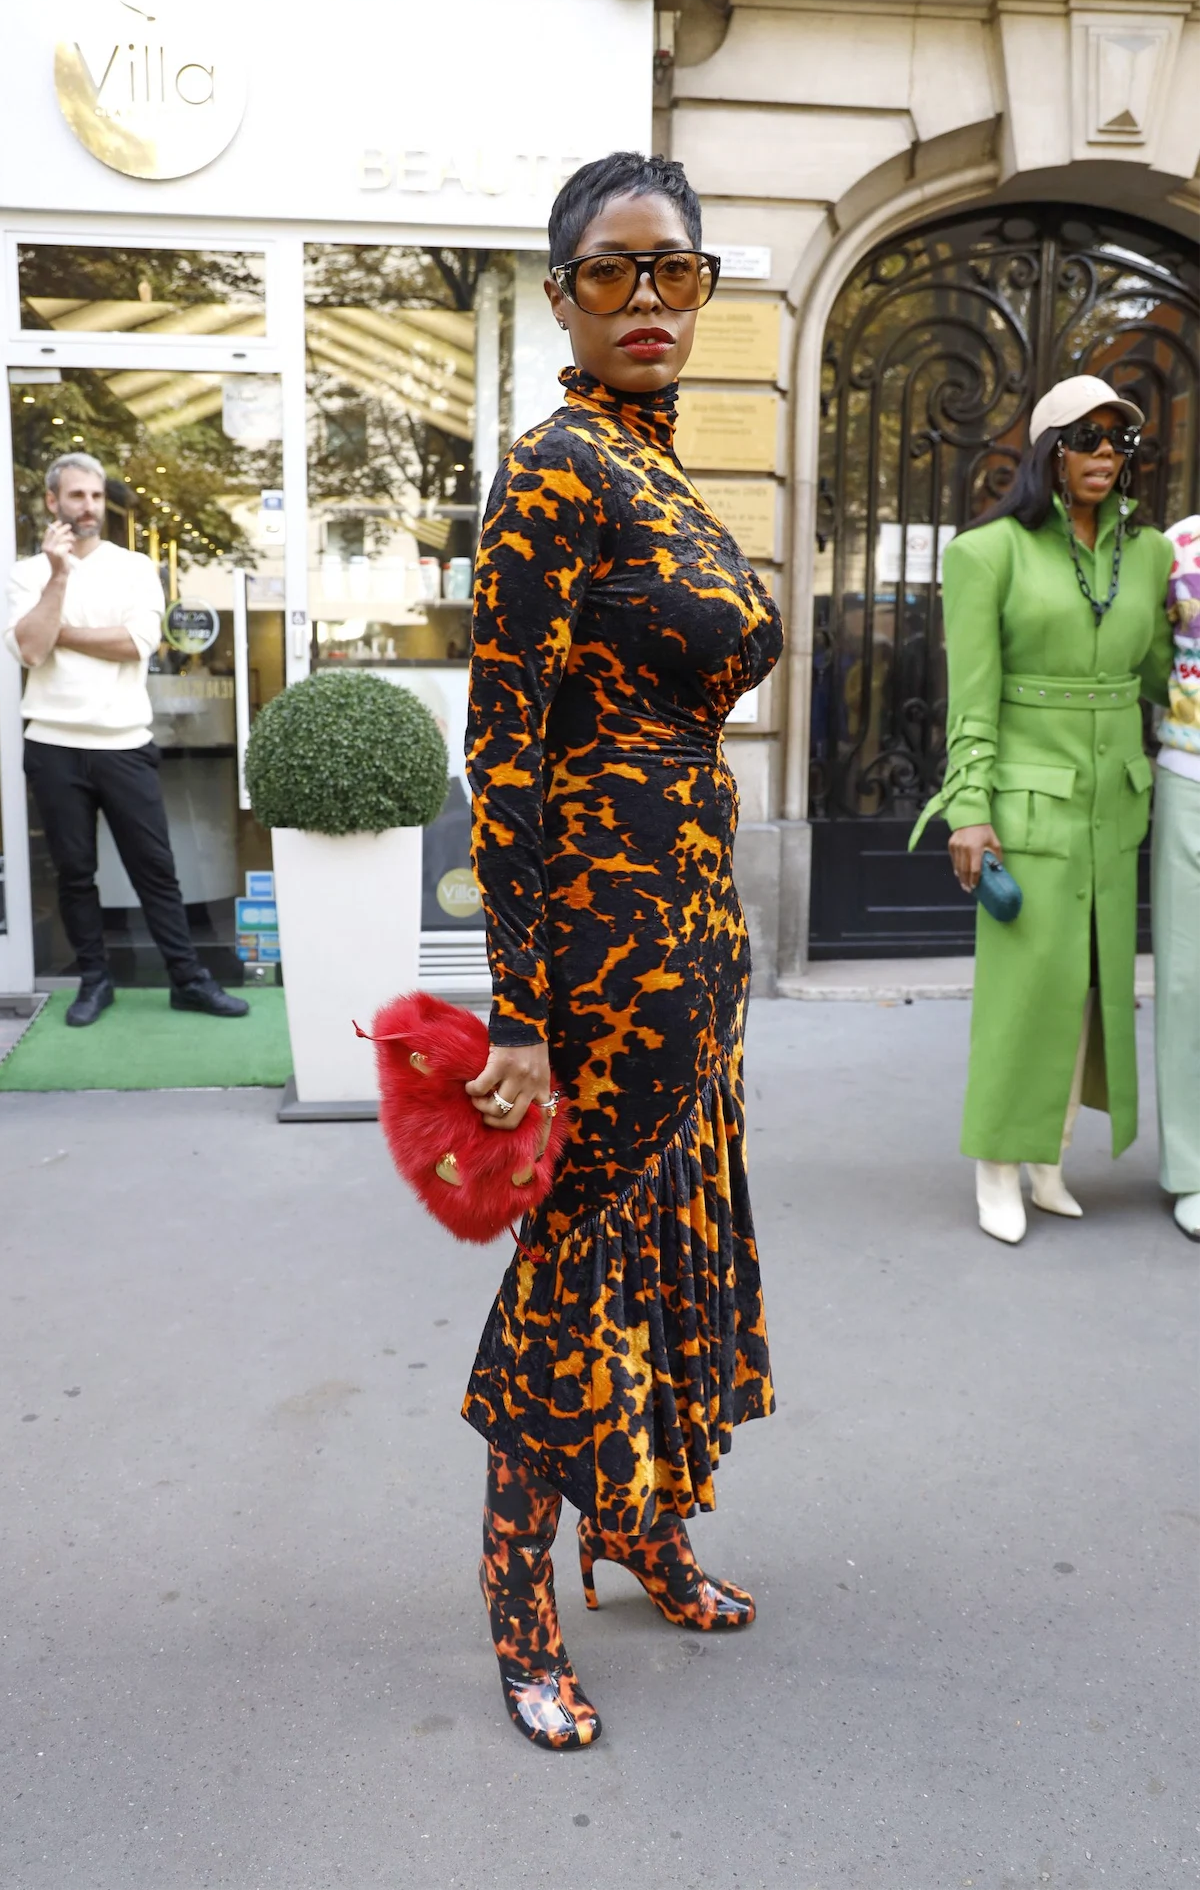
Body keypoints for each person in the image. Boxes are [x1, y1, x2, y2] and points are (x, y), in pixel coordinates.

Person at [460, 152, 782, 1751]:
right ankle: (518, 1604)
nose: (646, 299)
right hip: (600, 959)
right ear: (560, 296)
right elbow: (501, 754)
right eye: (611, 270)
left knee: (660, 1257)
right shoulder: (555, 472)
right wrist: (517, 1012)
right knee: (574, 1275)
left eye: (674, 270)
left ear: (703, 286)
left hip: (694, 937)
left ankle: (643, 1529)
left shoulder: (660, 471)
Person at [911, 377, 1173, 1243]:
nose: (1104, 453)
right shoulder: (987, 553)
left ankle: (1049, 1157)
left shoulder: (1147, 555)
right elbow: (972, 699)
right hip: (1027, 807)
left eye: (1118, 440)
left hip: (1115, 806)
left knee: (1091, 992)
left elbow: (1162, 675)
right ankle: (998, 1161)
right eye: (1085, 437)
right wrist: (969, 810)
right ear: (1048, 450)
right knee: (1024, 994)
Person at [5, 453, 248, 1026]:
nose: (88, 506)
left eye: (95, 496)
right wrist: (58, 576)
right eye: (76, 496)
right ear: (53, 502)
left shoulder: (135, 567)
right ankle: (95, 981)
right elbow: (32, 650)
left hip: (123, 743)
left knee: (155, 870)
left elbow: (136, 643)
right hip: (53, 744)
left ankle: (188, 980)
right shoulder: (28, 574)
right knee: (74, 873)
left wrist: (60, 631)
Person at [1153, 518, 1200, 1241]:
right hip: (1190, 772)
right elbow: (1145, 655)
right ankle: (1192, 1169)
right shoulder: (1179, 547)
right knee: (1186, 982)